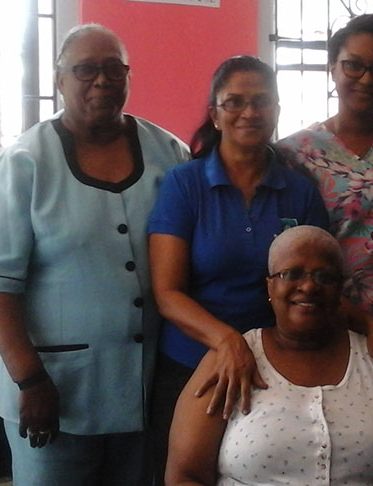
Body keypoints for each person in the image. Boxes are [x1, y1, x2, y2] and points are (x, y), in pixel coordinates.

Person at [0, 24, 189, 486]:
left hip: (146, 391)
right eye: (85, 70)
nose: (101, 81)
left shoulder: (171, 154)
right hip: (55, 396)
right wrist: (30, 380)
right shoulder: (21, 164)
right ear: (59, 79)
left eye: (114, 69)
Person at [147, 55, 330, 483]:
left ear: (277, 111)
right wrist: (227, 341)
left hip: (273, 371)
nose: (249, 112)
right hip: (191, 367)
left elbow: (317, 284)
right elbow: (167, 293)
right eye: (234, 102)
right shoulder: (184, 185)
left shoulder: (299, 191)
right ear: (214, 115)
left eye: (262, 101)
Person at [166, 225, 373, 486]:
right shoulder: (231, 360)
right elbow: (185, 475)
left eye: (324, 277)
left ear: (340, 289)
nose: (308, 286)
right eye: (291, 274)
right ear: (270, 286)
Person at [277, 14, 373, 376]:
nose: (367, 79)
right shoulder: (296, 152)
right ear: (332, 66)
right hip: (326, 327)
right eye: (353, 66)